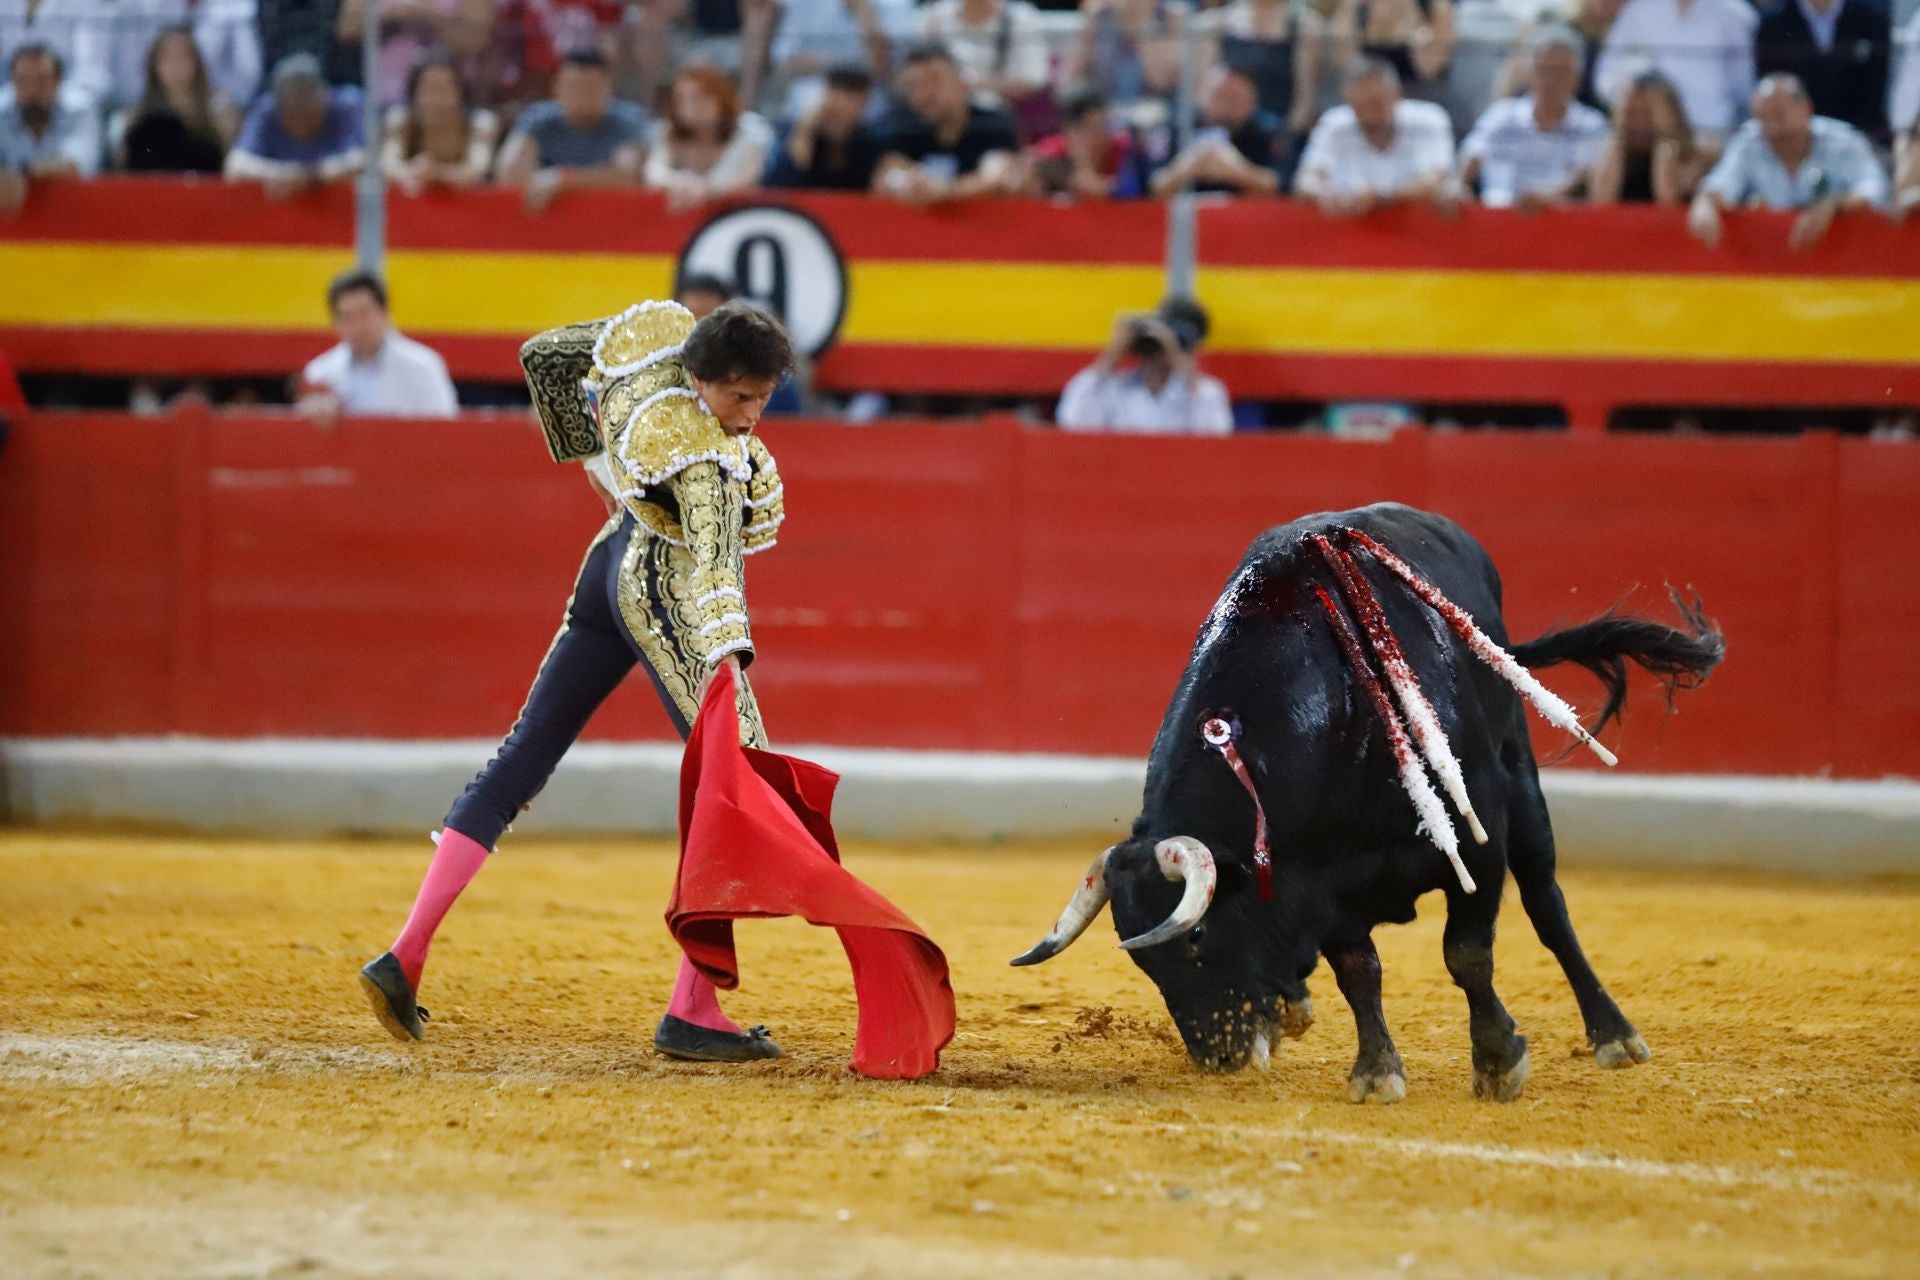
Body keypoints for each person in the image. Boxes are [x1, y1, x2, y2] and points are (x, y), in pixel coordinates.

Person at [358, 299, 794, 1064]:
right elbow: (716, 571)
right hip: (666, 587)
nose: (751, 415)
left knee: (524, 754)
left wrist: (595, 466)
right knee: (737, 776)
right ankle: (693, 1008)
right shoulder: (710, 461)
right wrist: (728, 661)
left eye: (763, 398)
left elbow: (549, 357)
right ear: (701, 378)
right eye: (739, 396)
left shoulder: (659, 351)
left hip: (608, 560)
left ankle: (406, 953)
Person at [1687, 72, 1888, 249]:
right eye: (1762, 117)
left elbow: (1875, 189)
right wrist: (1705, 202)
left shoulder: (1843, 142)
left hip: (1845, 255)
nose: (1772, 127)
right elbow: (1722, 183)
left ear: (1806, 109)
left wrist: (1834, 206)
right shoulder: (1749, 142)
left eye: (1779, 115)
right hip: (1771, 258)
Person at [1456, 27, 1610, 208]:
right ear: (1530, 73)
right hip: (1498, 217)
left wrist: (1547, 196)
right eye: (1544, 70)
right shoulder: (1501, 116)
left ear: (1577, 78)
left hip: (1559, 220)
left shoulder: (1592, 125)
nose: (1551, 81)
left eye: (1560, 72)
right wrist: (1458, 185)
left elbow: (1582, 173)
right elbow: (1473, 154)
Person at [1292, 56, 1454, 213]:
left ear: (1396, 95)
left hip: (1416, 226)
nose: (1369, 116)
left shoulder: (1428, 120)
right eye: (1359, 107)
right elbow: (1306, 181)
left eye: (1376, 104)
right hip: (1349, 225)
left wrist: (1383, 196)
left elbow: (1435, 181)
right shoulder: (1334, 124)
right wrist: (1328, 195)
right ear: (1348, 100)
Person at [493, 47, 646, 213]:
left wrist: (563, 179)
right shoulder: (537, 119)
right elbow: (509, 171)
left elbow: (626, 176)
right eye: (574, 86)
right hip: (547, 221)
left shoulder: (628, 121)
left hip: (609, 220)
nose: (581, 96)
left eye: (590, 87)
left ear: (609, 88)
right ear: (557, 87)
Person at [297, 270, 459, 423]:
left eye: (364, 313)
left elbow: (442, 429)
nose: (358, 325)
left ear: (384, 311)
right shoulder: (320, 372)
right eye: (347, 317)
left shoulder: (423, 367)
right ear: (335, 322)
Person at [1056, 296, 1232, 434]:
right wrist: (1111, 356)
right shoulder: (1114, 388)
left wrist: (1185, 371)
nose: (1160, 349)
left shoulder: (1206, 392)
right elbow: (1072, 422)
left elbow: (1216, 439)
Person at [871, 42, 1019, 203]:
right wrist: (903, 182)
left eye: (933, 81)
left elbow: (997, 174)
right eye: (912, 86)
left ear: (961, 81)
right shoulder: (898, 125)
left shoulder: (993, 124)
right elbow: (888, 171)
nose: (923, 95)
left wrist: (944, 191)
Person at [1594, 0, 1756, 144]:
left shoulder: (1735, 13)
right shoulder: (1639, 9)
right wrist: (1637, 112)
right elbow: (1606, 77)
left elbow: (1743, 89)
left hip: (1713, 138)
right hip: (1650, 142)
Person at [224, 53, 363, 197]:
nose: (299, 119)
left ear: (324, 96)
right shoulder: (266, 110)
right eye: (291, 112)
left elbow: (365, 160)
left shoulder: (348, 105)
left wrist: (311, 176)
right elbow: (236, 166)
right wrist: (285, 175)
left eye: (306, 111)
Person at [1753, 0, 1891, 143]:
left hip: (1862, 137)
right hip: (1793, 140)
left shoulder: (1870, 20)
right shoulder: (1774, 24)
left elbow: (1877, 86)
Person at [643, 64, 772, 211]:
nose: (689, 107)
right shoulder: (667, 133)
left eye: (698, 98)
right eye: (682, 99)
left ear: (720, 99)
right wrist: (681, 183)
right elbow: (653, 173)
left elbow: (744, 179)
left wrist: (705, 190)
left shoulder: (749, 135)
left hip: (734, 216)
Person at [1148, 62, 1283, 196]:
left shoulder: (1266, 132)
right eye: (1220, 96)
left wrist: (1237, 170)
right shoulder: (1179, 128)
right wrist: (1187, 167)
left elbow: (1280, 187)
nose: (1228, 106)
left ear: (1252, 102)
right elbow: (1153, 187)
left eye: (1236, 98)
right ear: (1202, 95)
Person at [118, 24, 240, 173]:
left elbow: (232, 167)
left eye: (184, 55)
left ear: (197, 62)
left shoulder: (219, 112)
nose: (175, 64)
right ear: (153, 64)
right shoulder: (135, 117)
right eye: (167, 56)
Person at [764, 0, 913, 121]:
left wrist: (864, 10)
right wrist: (845, 65)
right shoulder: (801, 3)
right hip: (808, 106)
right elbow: (787, 60)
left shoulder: (896, 5)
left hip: (873, 113)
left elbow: (882, 67)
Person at [333, 0, 493, 108]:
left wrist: (429, 17)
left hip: (446, 100)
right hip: (383, 98)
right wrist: (386, 16)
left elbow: (478, 40)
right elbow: (346, 30)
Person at [1200, 0, 1328, 135]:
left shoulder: (1305, 28)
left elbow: (1305, 99)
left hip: (1280, 132)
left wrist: (1286, 137)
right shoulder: (1215, 24)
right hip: (1224, 129)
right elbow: (1202, 94)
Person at [382, 48, 498, 192]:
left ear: (460, 93)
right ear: (414, 93)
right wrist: (412, 173)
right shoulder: (401, 120)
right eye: (429, 89)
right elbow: (388, 166)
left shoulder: (480, 123)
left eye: (445, 89)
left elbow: (477, 169)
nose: (436, 98)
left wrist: (437, 173)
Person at [1590, 69, 1705, 203]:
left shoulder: (1696, 157)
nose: (1639, 124)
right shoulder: (1610, 156)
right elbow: (1601, 201)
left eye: (1649, 114)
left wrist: (1665, 135)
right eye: (1632, 113)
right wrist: (1618, 132)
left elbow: (1667, 199)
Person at [766, 62, 884, 190]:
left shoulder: (872, 141)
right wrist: (805, 131)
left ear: (865, 101)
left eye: (849, 97)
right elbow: (781, 183)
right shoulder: (793, 130)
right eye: (834, 92)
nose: (841, 104)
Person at [915, 0, 1051, 108]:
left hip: (998, 115)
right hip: (940, 112)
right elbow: (918, 67)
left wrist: (970, 84)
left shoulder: (1021, 18)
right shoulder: (937, 15)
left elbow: (1032, 81)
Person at [1019, 87, 1147, 198]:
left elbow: (1132, 192)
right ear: (1070, 131)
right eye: (1093, 128)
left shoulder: (1122, 146)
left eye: (1104, 126)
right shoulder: (1054, 148)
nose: (1102, 136)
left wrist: (1087, 179)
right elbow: (1024, 177)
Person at [0, 44, 101, 180]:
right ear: (12, 82)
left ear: (59, 81)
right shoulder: (2, 110)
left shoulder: (79, 109)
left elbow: (74, 165)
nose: (32, 90)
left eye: (42, 80)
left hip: (66, 193)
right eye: (23, 81)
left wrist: (21, 174)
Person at [1066, 0, 1184, 109]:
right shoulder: (1102, 15)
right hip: (1104, 111)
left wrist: (1140, 26)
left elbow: (1159, 81)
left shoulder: (1165, 16)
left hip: (1152, 113)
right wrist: (1090, 25)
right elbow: (1071, 79)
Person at [1332, 0, 1453, 102]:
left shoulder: (1435, 5)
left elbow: (1430, 69)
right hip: (1367, 101)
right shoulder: (1356, 6)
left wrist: (1411, 21)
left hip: (1419, 97)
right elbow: (1344, 63)